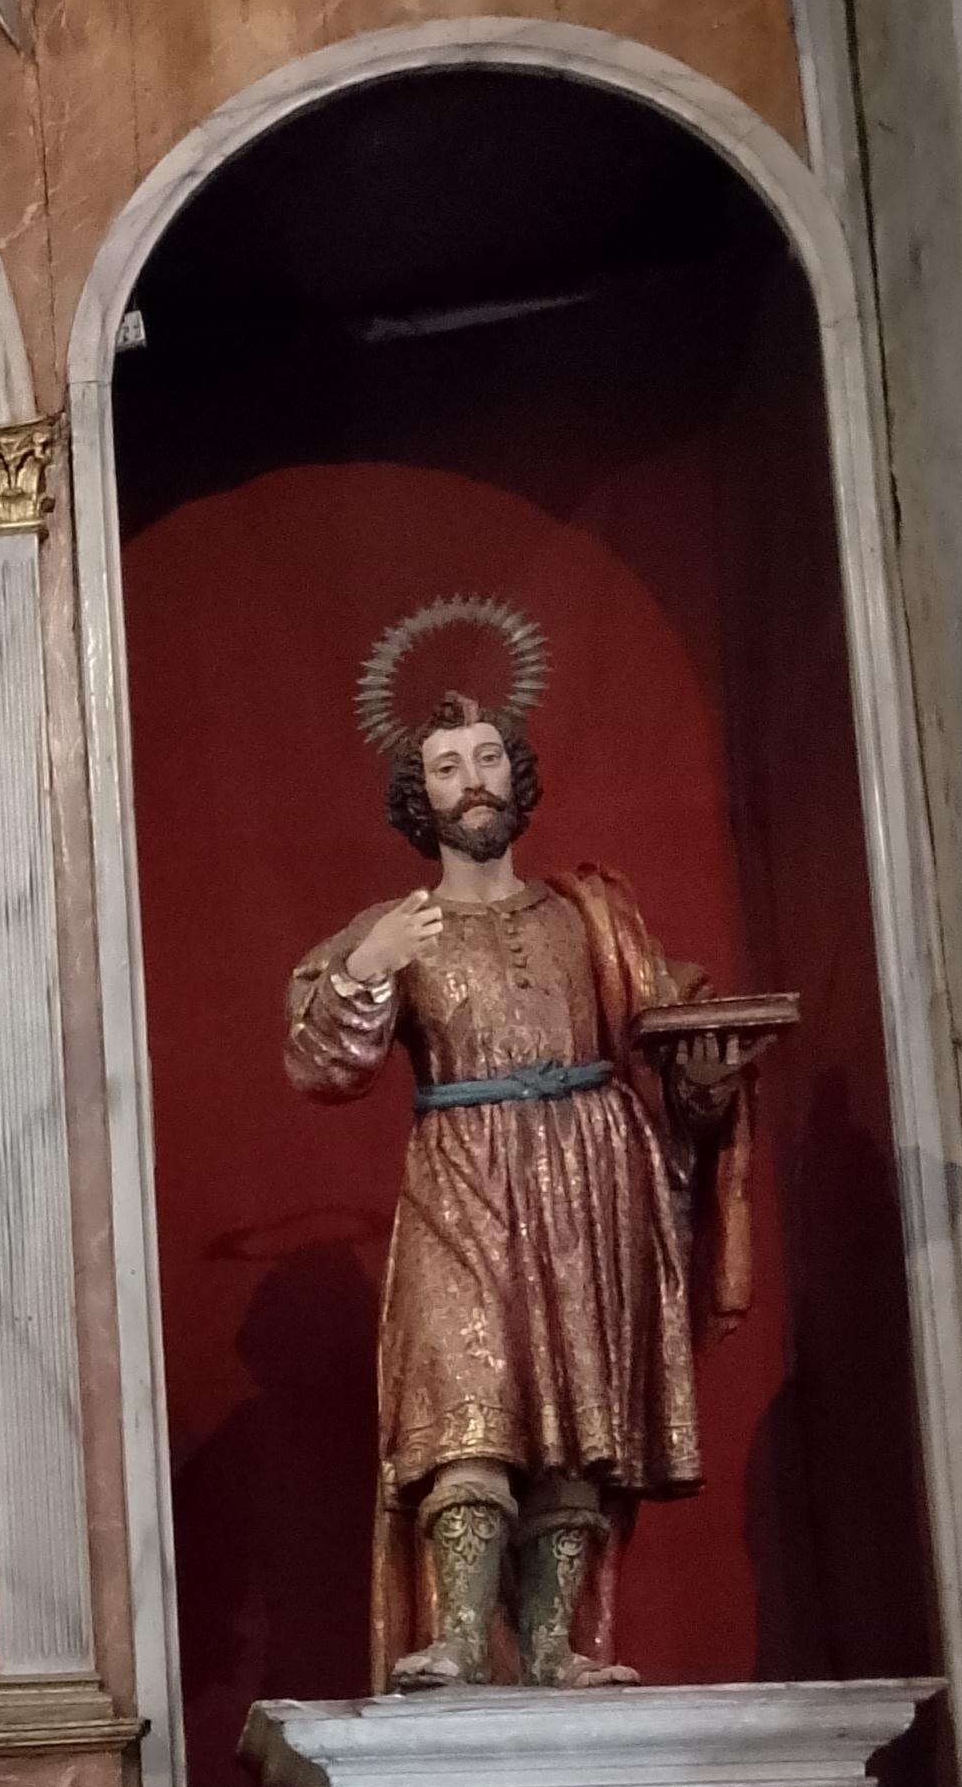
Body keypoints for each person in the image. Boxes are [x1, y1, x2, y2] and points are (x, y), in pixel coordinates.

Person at [286, 609, 768, 1687]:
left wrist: (707, 1073)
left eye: (489, 759)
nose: (473, 782)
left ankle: (553, 1648)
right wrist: (366, 966)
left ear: (517, 777)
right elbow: (324, 1065)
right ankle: (460, 1639)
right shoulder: (399, 926)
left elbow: (673, 1036)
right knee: (464, 1398)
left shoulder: (589, 918)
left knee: (577, 1416)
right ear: (420, 798)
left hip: (591, 1178)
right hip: (461, 1173)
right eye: (447, 768)